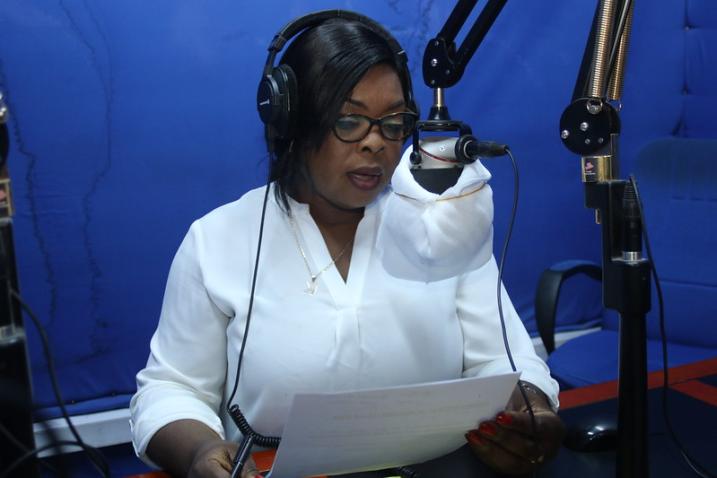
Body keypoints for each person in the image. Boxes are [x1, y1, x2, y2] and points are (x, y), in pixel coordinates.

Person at [130, 11, 565, 478]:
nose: (377, 143)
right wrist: (198, 452)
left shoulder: (443, 224)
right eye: (350, 121)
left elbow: (509, 360)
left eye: (394, 123)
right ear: (291, 121)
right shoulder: (218, 241)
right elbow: (170, 389)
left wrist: (531, 414)